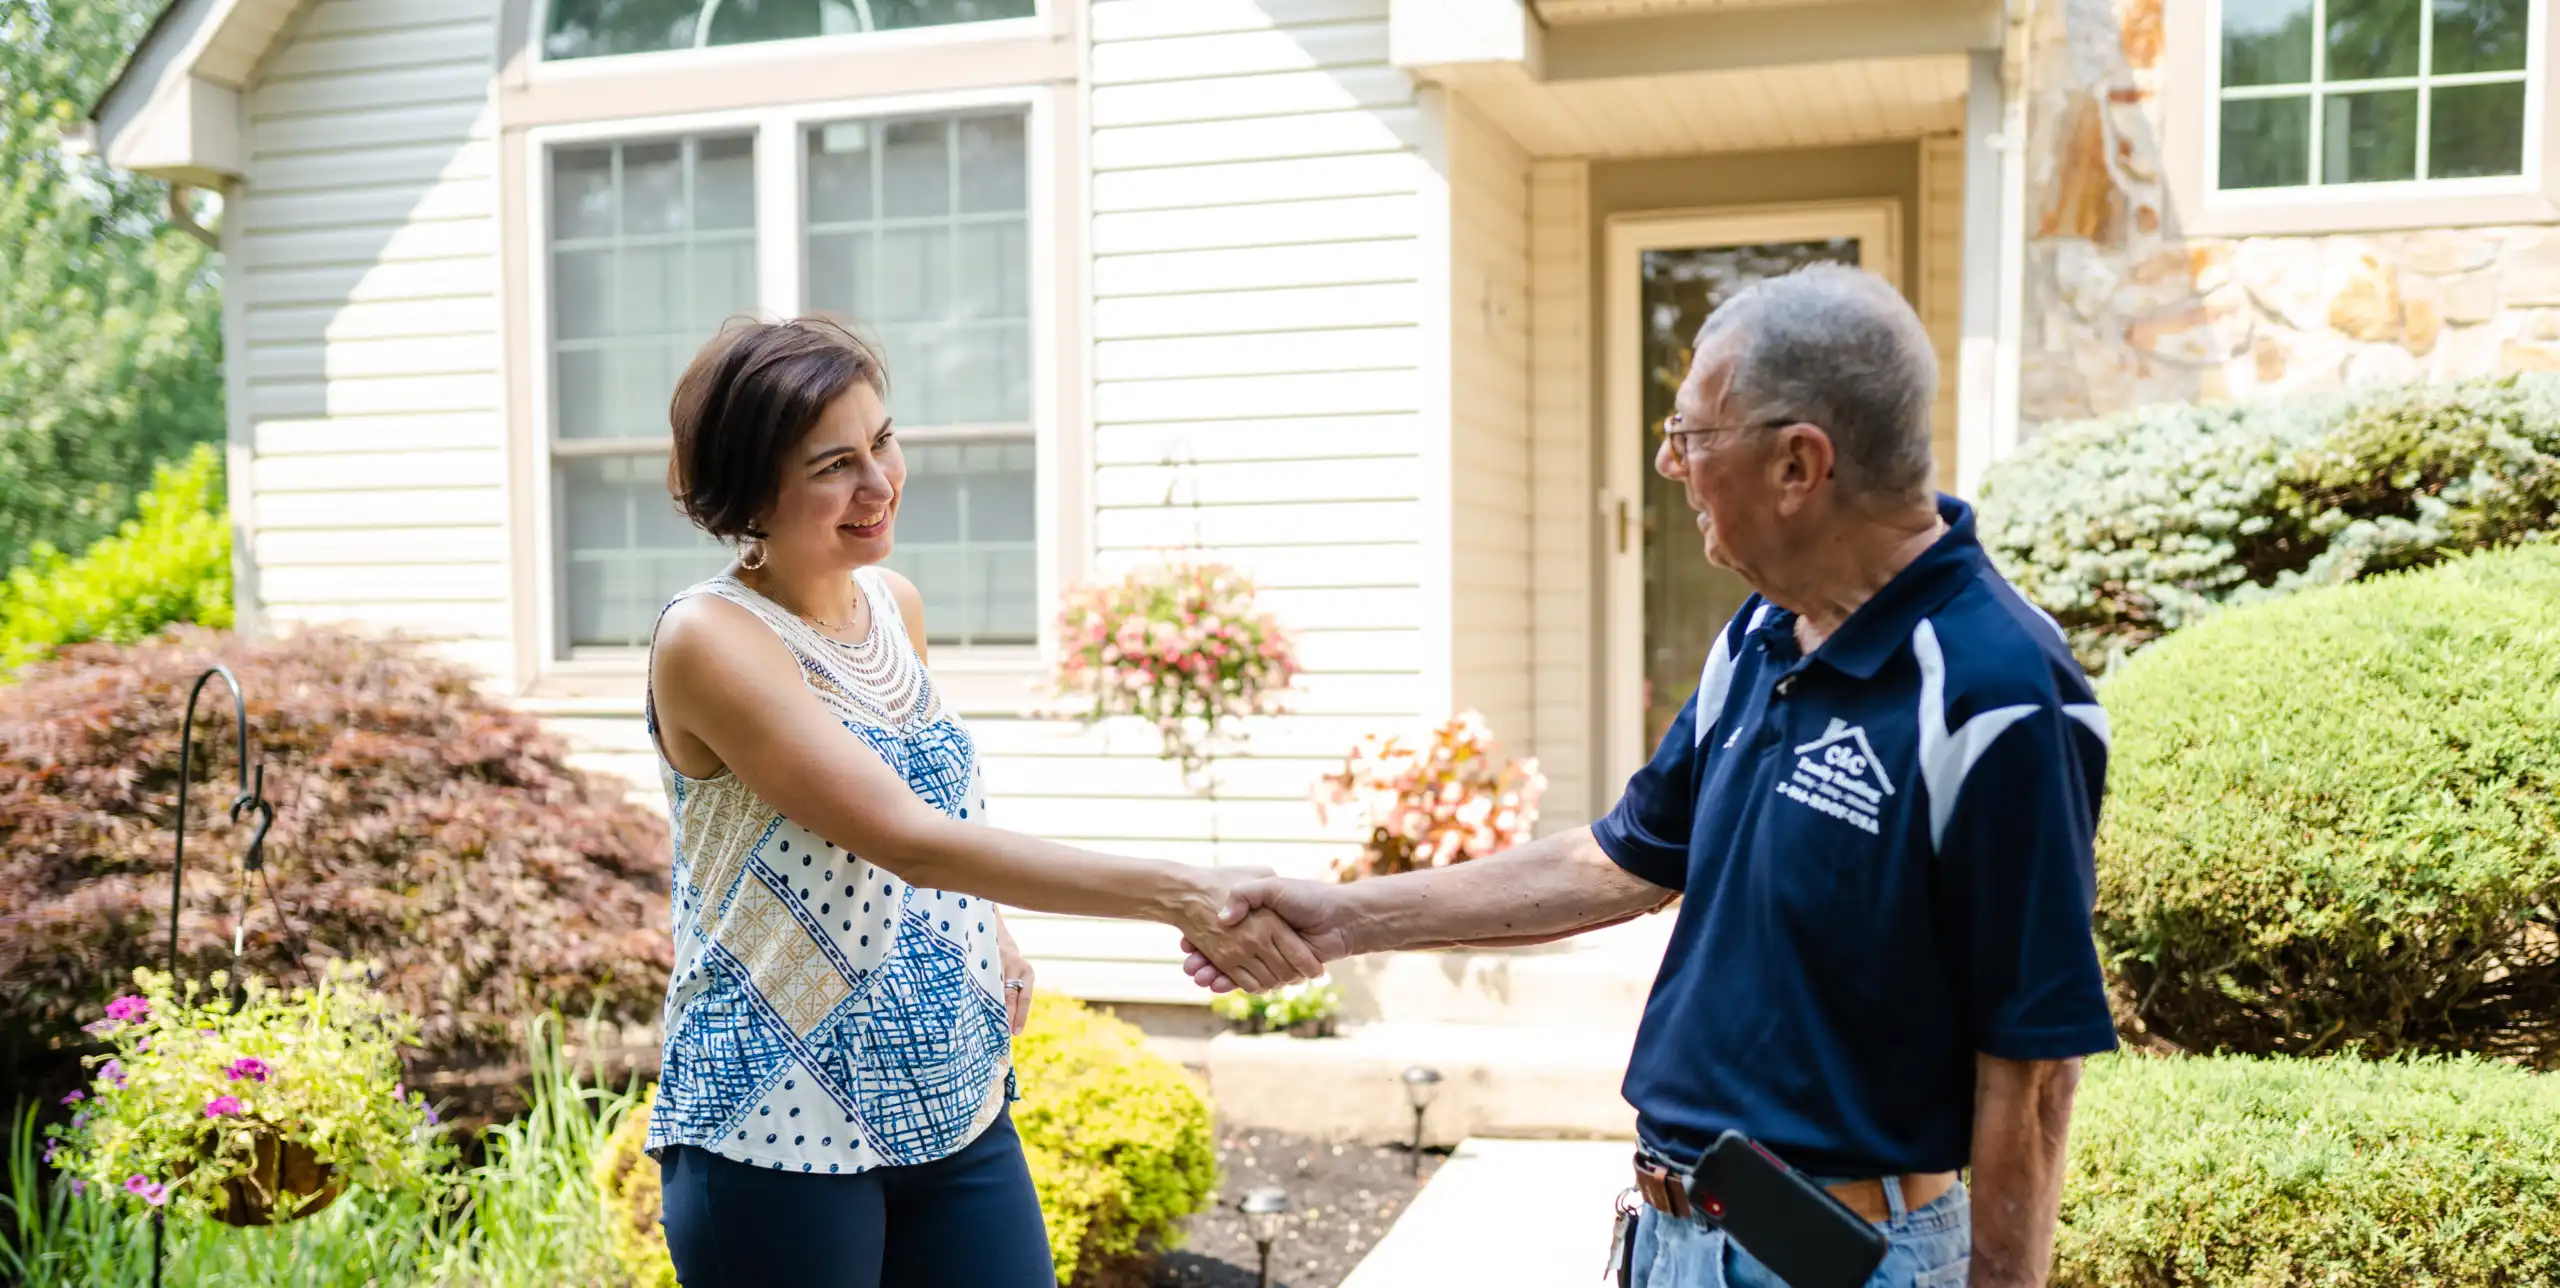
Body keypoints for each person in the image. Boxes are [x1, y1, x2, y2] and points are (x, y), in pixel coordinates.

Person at [1187, 265, 2117, 1288]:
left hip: (1843, 1263)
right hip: (1680, 1238)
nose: (1669, 467)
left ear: (1797, 464)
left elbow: (2030, 1071)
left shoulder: (1997, 691)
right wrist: (1343, 918)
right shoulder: (1763, 632)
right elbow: (1619, 859)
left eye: (1689, 437)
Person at [643, 315, 1320, 1288]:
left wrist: (989, 927)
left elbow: (930, 801)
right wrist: (1181, 891)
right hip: (777, 1127)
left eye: (882, 439)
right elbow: (907, 839)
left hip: (952, 1095)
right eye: (834, 463)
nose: (879, 484)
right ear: (751, 489)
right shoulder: (710, 638)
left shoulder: (892, 603)